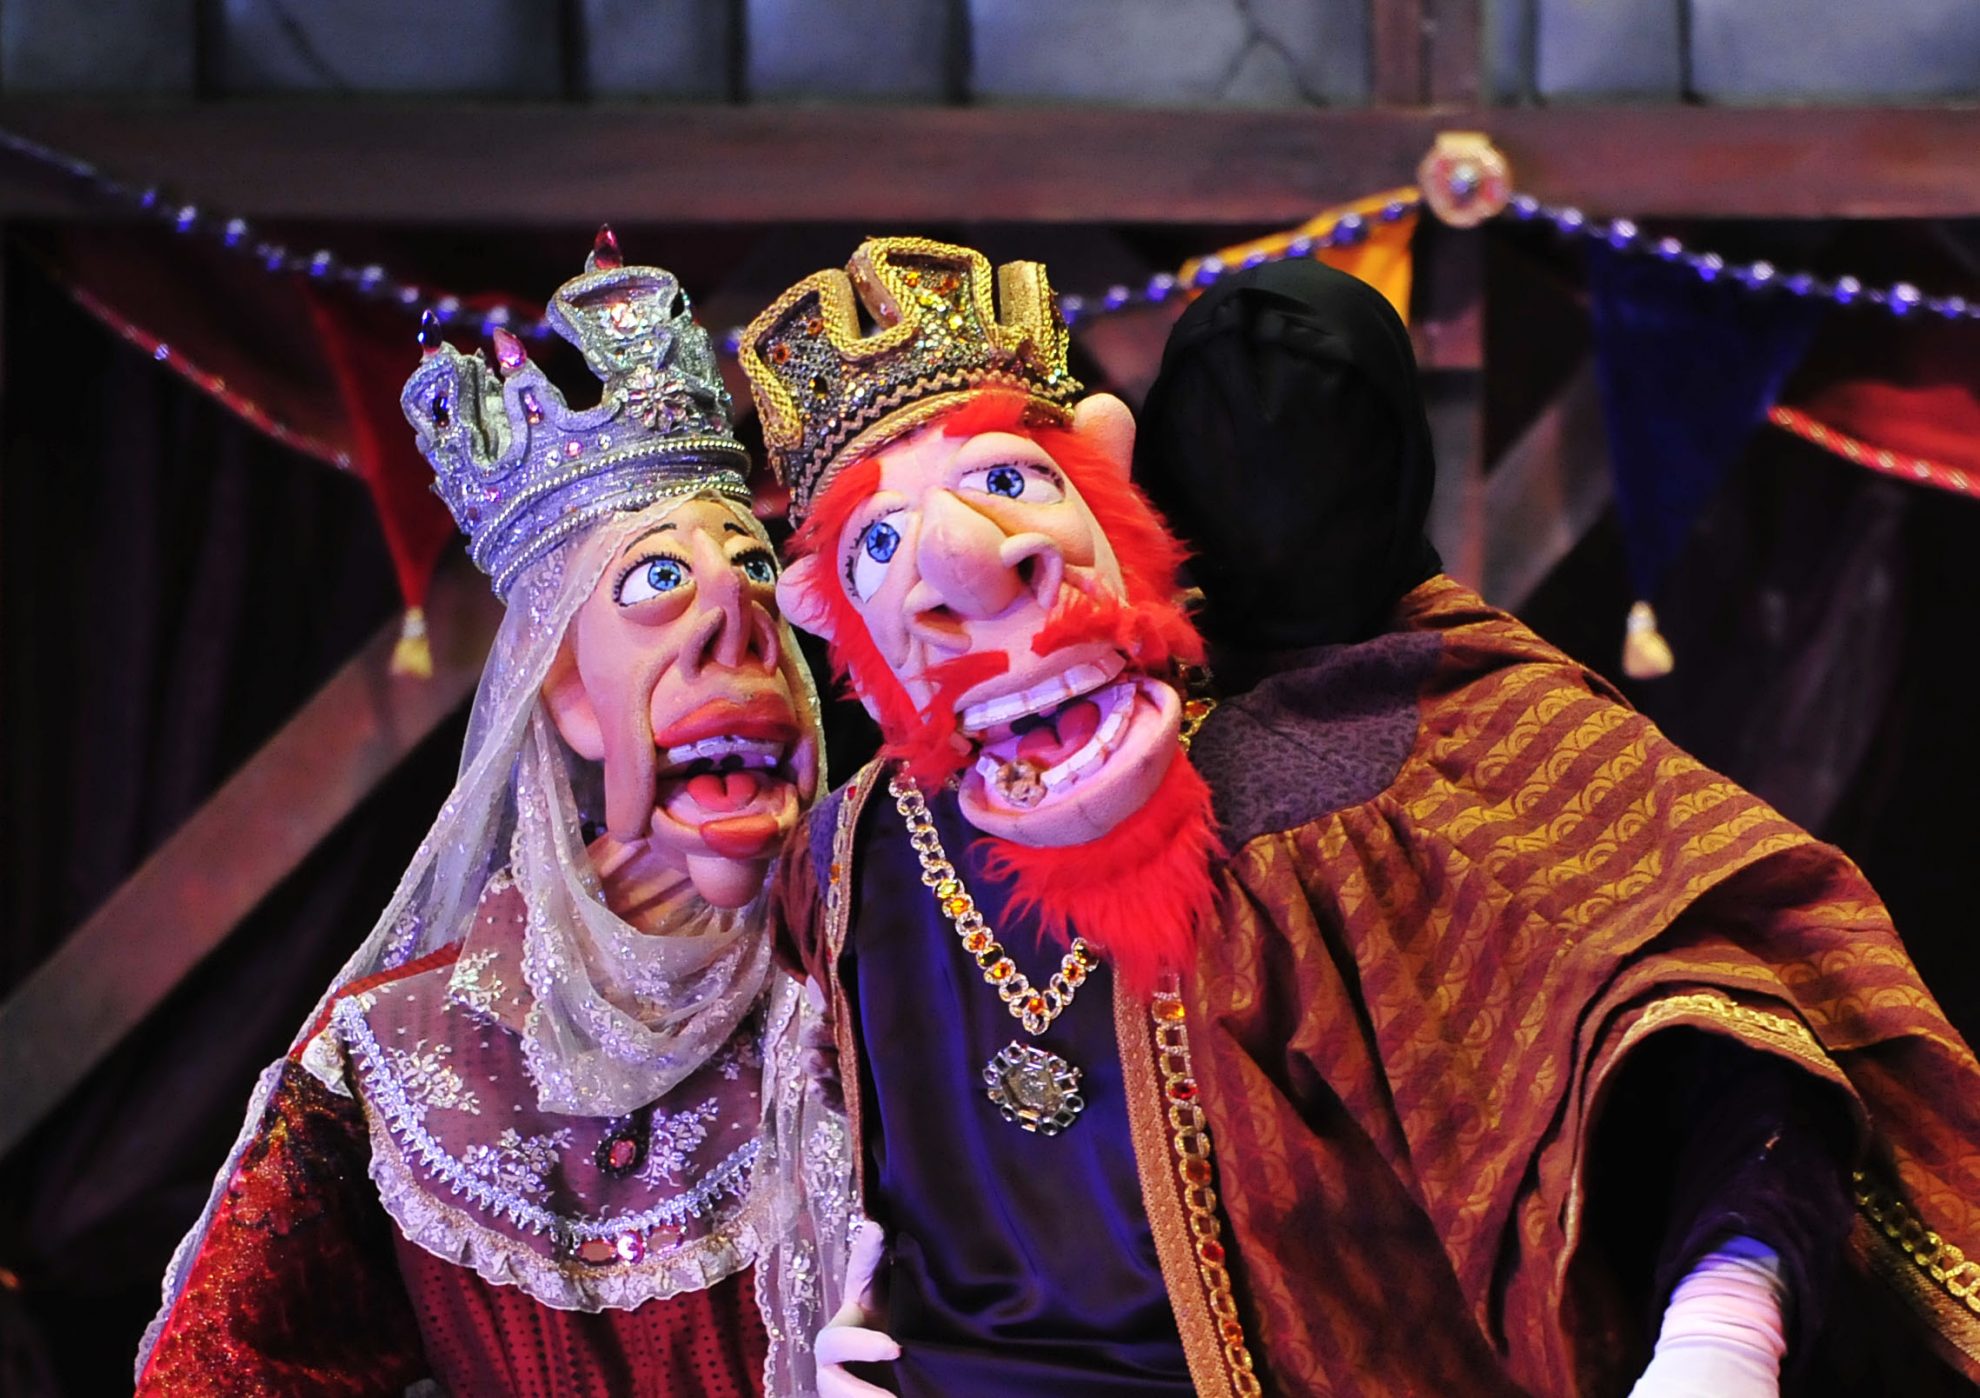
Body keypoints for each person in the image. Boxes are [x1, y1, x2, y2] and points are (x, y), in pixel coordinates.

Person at [742, 238, 1980, 1395]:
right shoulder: (849, 856)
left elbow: (1702, 1041)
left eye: (1009, 483)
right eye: (879, 545)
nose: (966, 565)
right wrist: (836, 1309)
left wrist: (1723, 1330)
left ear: (1115, 489)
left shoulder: (1329, 782)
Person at [135, 239, 845, 1397]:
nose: (738, 618)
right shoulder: (396, 1059)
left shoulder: (885, 980)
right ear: (562, 697)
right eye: (659, 581)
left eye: (757, 567)